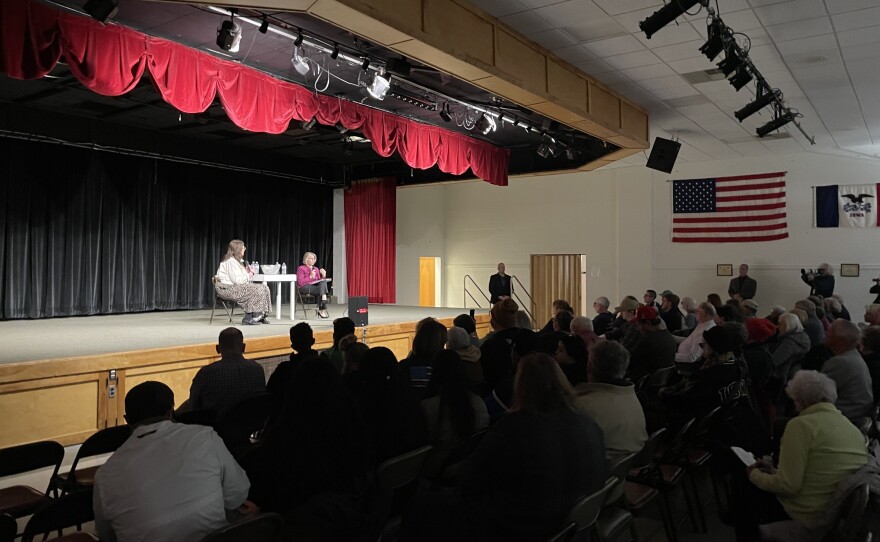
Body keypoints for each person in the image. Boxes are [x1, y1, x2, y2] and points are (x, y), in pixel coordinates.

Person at [457, 353, 608, 541]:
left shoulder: (514, 429)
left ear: (519, 386)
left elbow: (468, 479)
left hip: (529, 528)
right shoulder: (588, 422)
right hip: (573, 527)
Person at [94, 381, 251, 542]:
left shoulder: (105, 474)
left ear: (127, 420)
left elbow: (107, 536)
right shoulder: (204, 436)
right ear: (171, 411)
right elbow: (238, 493)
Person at [738, 371, 868, 542]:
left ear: (802, 401)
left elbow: (788, 485)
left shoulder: (800, 426)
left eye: (795, 401)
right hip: (833, 510)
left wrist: (753, 475)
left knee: (745, 494)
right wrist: (774, 470)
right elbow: (817, 467)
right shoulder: (850, 428)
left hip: (807, 513)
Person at [420, 350, 490, 477]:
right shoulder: (478, 402)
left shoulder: (428, 407)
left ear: (435, 373)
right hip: (470, 466)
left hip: (438, 471)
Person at [575, 341, 647, 460]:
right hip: (626, 465)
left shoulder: (583, 405)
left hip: (602, 470)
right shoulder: (630, 394)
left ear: (589, 366)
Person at [187, 327, 266, 417]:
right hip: (250, 427)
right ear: (243, 347)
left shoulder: (206, 373)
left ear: (217, 348)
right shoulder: (257, 369)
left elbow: (193, 406)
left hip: (215, 428)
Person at [821, 319, 873, 424]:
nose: (826, 333)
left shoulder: (841, 362)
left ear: (839, 339)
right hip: (857, 413)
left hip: (846, 417)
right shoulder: (854, 355)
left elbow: (817, 393)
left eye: (830, 331)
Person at [214, 239, 271, 325]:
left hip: (235, 287)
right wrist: (249, 274)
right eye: (243, 247)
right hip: (226, 289)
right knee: (255, 289)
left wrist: (247, 272)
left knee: (264, 287)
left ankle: (260, 316)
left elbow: (241, 279)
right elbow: (237, 280)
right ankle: (248, 318)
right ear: (237, 249)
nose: (244, 249)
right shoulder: (230, 262)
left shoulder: (238, 262)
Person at [296, 251, 330, 318]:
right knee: (322, 291)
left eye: (314, 258)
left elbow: (319, 281)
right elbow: (300, 282)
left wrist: (323, 276)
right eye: (311, 258)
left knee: (323, 282)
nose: (313, 260)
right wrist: (310, 277)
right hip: (304, 287)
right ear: (306, 259)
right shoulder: (301, 268)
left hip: (314, 287)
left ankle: (323, 297)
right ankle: (322, 307)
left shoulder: (316, 269)